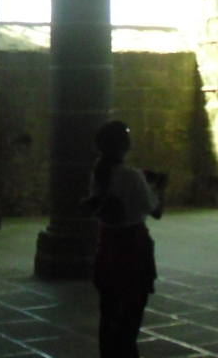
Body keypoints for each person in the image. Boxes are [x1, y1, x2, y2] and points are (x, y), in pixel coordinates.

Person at [86, 120, 166, 358]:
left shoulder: (99, 172)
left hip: (108, 246)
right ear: (123, 144)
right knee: (130, 318)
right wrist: (161, 188)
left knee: (108, 314)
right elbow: (157, 211)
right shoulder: (131, 176)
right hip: (133, 248)